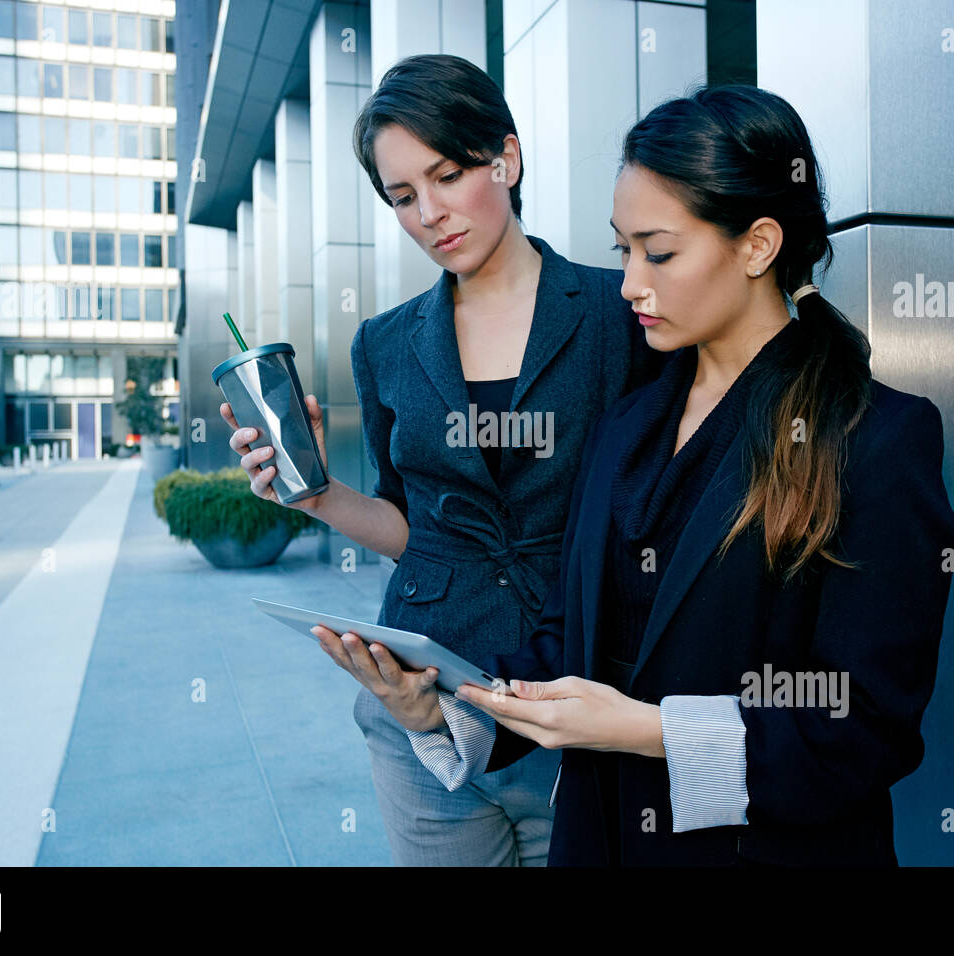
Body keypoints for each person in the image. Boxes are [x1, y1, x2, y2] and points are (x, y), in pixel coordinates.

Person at [316, 84, 954, 866]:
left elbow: (864, 729)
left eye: (658, 252)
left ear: (757, 246)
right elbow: (566, 641)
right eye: (623, 250)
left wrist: (646, 730)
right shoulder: (627, 424)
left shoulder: (877, 439)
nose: (628, 284)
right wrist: (439, 710)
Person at [220, 54, 665, 865]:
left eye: (449, 174)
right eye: (401, 197)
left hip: (576, 704)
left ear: (508, 158)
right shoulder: (385, 343)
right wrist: (315, 493)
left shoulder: (619, 313)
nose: (429, 212)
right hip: (421, 710)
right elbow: (414, 527)